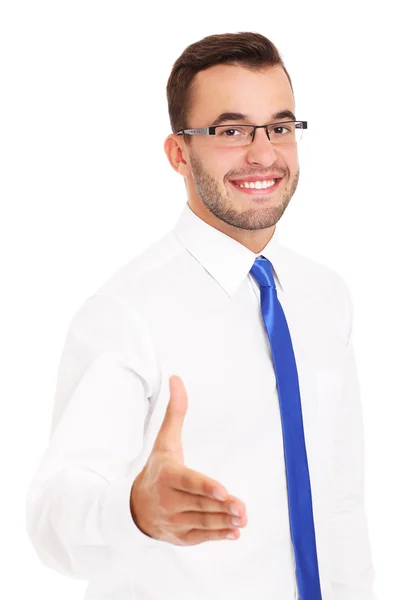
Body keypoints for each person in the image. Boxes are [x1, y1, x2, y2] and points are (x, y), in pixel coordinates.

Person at [25, 31, 376, 600]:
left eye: (280, 127)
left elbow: (341, 501)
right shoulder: (125, 313)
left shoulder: (325, 296)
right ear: (179, 153)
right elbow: (51, 518)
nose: (263, 153)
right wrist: (135, 510)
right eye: (231, 130)